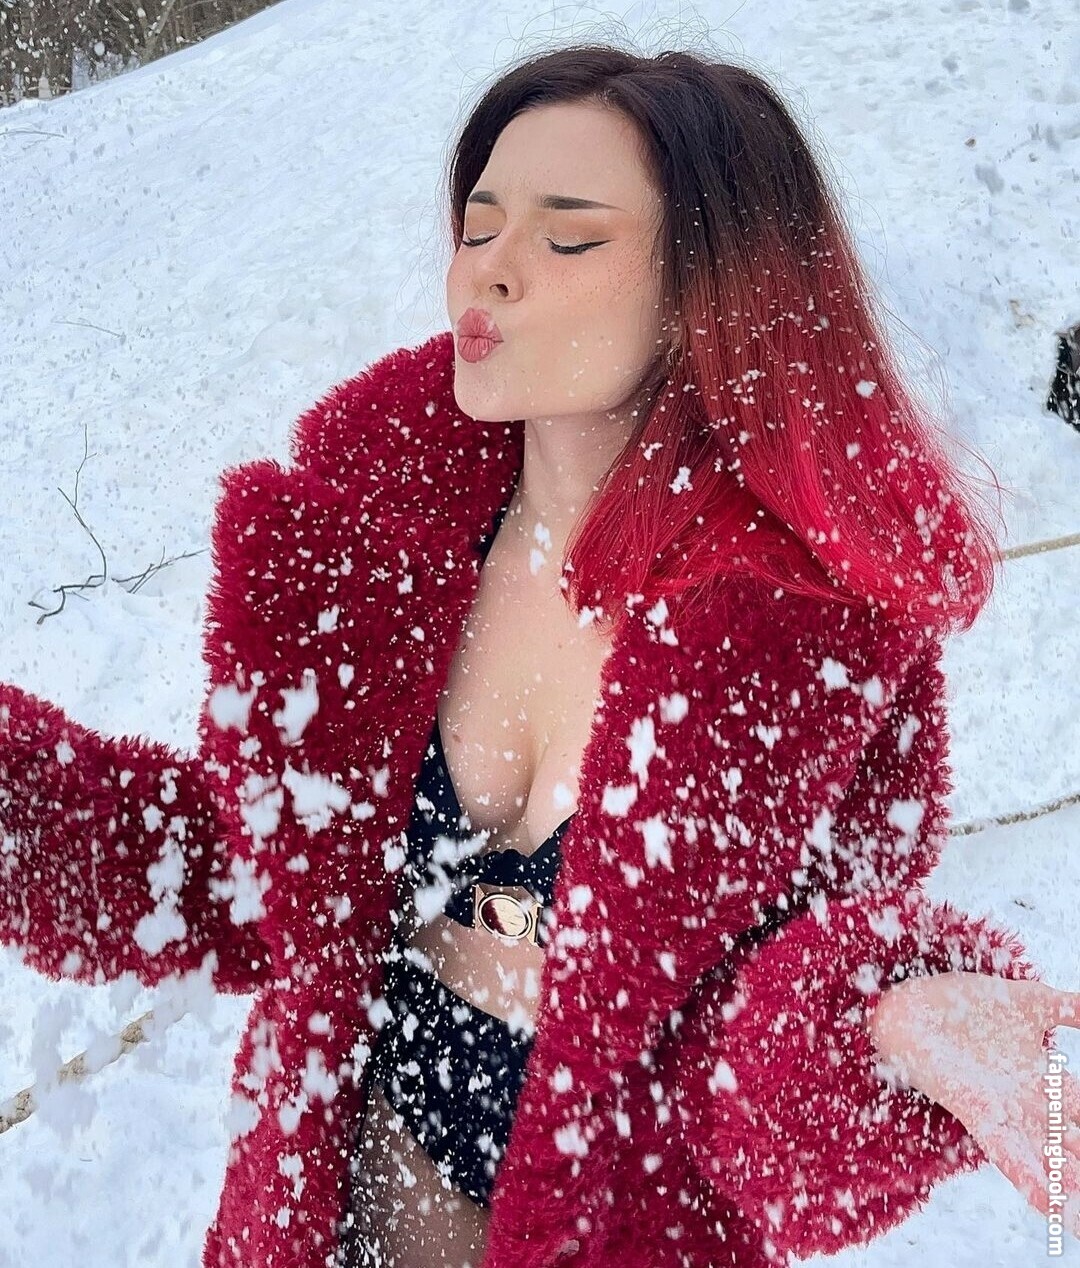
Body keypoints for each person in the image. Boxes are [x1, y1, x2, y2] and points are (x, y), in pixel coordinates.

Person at [1, 41, 1078, 1268]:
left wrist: (883, 1026)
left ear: (710, 286)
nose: (491, 268)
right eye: (478, 225)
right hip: (319, 1219)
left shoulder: (816, 653)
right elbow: (241, 875)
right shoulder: (370, 542)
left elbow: (746, 1065)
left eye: (567, 238)